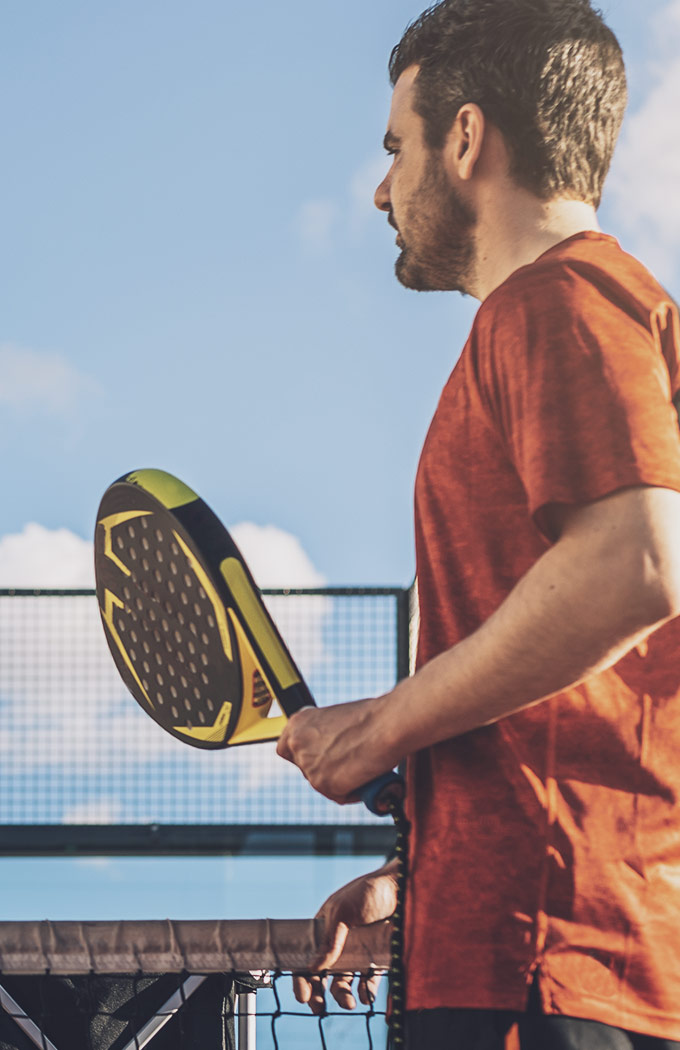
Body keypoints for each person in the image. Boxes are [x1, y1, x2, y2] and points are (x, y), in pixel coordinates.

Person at [274, 1, 680, 1045]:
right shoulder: (610, 314)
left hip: (549, 966)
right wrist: (424, 876)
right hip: (548, 948)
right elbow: (603, 704)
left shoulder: (561, 303)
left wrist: (380, 726)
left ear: (465, 139)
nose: (381, 187)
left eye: (396, 146)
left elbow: (637, 567)